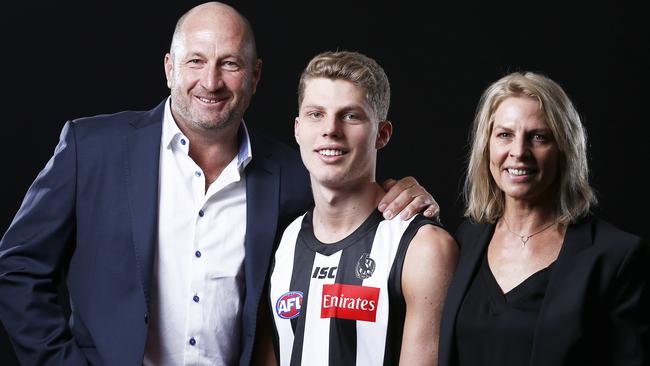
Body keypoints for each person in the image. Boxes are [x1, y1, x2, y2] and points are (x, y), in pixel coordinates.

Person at [0, 3, 439, 366]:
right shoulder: (91, 149)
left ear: (255, 75)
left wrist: (406, 193)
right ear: (170, 68)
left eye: (229, 64)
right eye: (196, 61)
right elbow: (16, 268)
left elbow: (346, 206)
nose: (210, 82)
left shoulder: (289, 176)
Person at [438, 71, 650, 365]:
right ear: (486, 146)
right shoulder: (464, 240)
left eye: (538, 137)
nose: (519, 152)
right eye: (505, 135)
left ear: (564, 149)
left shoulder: (616, 258)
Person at [267, 51, 458, 366]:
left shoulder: (423, 249)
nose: (331, 129)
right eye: (317, 114)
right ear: (298, 129)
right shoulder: (280, 243)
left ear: (382, 134)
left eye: (351, 115)